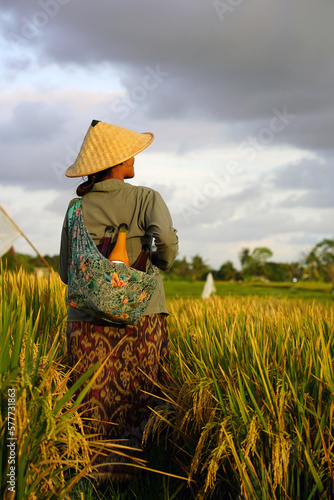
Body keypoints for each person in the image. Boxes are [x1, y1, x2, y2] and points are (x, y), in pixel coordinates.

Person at [59, 120, 178, 483]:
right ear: (116, 161)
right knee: (141, 392)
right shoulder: (145, 197)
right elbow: (168, 247)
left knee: (93, 394)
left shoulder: (76, 208)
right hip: (142, 314)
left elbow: (67, 271)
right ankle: (141, 474)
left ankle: (92, 474)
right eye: (130, 154)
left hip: (87, 319)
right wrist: (156, 264)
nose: (135, 158)